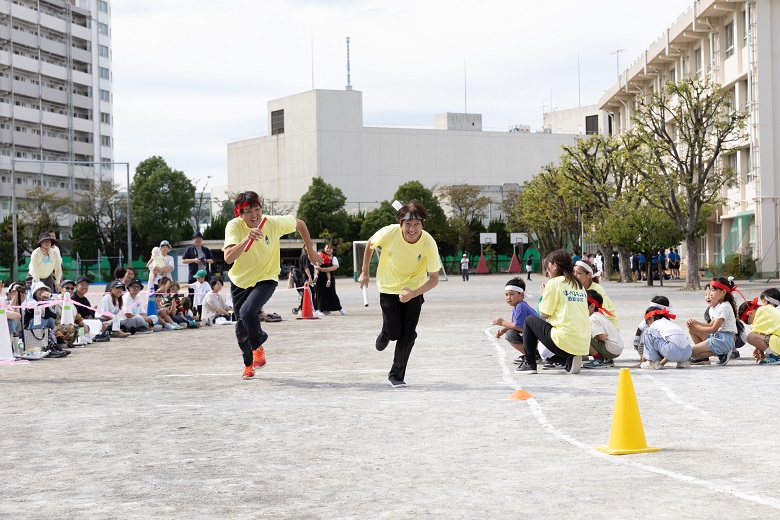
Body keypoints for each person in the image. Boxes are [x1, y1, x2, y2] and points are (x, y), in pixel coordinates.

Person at [223, 191, 321, 380]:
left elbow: (300, 224)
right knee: (240, 328)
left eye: (257, 209)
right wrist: (247, 238)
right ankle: (248, 365)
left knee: (247, 312)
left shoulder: (272, 223)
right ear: (239, 213)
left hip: (266, 278)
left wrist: (310, 250)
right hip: (240, 282)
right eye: (248, 211)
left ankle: (258, 347)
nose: (254, 215)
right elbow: (228, 258)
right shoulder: (233, 226)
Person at [358, 201, 441, 388]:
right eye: (408, 224)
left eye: (417, 224)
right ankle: (386, 333)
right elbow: (371, 243)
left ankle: (396, 375)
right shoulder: (389, 232)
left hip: (414, 290)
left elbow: (434, 278)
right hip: (389, 287)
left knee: (408, 335)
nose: (412, 229)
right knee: (395, 332)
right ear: (401, 224)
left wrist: (414, 294)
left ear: (423, 224)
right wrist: (365, 271)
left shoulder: (428, 242)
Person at [518, 249, 590, 375]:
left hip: (564, 342)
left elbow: (543, 314)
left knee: (530, 321)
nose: (547, 271)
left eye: (548, 267)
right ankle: (569, 358)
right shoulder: (578, 285)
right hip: (583, 343)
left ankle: (530, 363)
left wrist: (544, 295)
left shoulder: (554, 283)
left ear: (555, 265)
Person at [686, 277, 739, 365]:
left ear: (723, 292)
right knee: (692, 330)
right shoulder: (719, 305)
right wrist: (695, 323)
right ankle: (705, 358)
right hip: (719, 336)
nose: (710, 293)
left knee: (691, 353)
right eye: (710, 290)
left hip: (724, 339)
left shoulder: (724, 306)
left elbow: (714, 328)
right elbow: (711, 325)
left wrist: (698, 328)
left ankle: (723, 352)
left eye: (713, 290)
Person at [492, 277, 538, 368]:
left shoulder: (521, 306)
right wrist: (503, 330)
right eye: (506, 295)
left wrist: (502, 322)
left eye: (511, 294)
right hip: (535, 336)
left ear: (521, 295)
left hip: (538, 338)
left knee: (511, 335)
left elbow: (519, 327)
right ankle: (532, 353)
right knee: (510, 332)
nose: (508, 298)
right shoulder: (518, 306)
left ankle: (533, 355)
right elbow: (514, 323)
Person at [572, 258, 620, 331]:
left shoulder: (597, 289)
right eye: (573, 272)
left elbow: (603, 312)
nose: (574, 275)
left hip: (607, 326)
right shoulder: (575, 288)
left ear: (589, 275)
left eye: (578, 273)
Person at [582, 290, 624, 368]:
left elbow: (602, 337)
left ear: (592, 306)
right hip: (616, 349)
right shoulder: (599, 315)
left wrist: (592, 336)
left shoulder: (593, 318)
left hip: (610, 350)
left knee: (582, 337)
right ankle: (607, 360)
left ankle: (599, 359)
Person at [742, 299, 780, 364]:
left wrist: (758, 348)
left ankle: (775, 356)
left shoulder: (760, 312)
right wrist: (759, 348)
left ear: (750, 313)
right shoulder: (768, 308)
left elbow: (755, 333)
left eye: (750, 321)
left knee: (750, 337)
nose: (752, 324)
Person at [182, 231, 214, 304]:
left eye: (200, 238)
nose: (198, 240)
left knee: (207, 294)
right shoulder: (189, 249)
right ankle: (191, 311)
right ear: (193, 239)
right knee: (191, 294)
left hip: (205, 276)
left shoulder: (206, 249)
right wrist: (194, 260)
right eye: (196, 238)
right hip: (194, 275)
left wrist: (205, 260)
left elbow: (212, 260)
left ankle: (204, 309)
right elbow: (183, 261)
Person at [315, 243, 345, 316]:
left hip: (329, 277)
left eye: (330, 248)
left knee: (332, 292)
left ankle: (339, 308)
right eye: (327, 248)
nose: (328, 250)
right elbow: (315, 265)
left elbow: (335, 267)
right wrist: (320, 268)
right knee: (320, 293)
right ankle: (320, 309)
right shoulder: (320, 255)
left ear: (332, 250)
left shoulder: (333, 258)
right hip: (320, 277)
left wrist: (327, 269)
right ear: (324, 249)